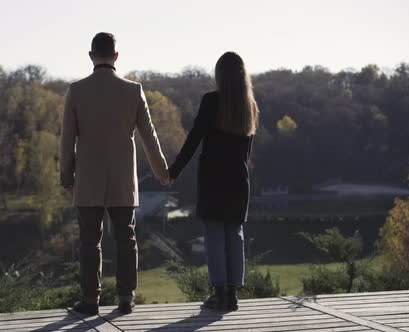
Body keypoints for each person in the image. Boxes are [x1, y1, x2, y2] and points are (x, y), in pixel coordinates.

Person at [59, 32, 171, 316]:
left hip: (88, 178)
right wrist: (161, 172)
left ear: (91, 56)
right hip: (122, 179)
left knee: (89, 242)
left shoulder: (77, 90)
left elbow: (67, 139)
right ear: (116, 57)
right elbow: (150, 137)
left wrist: (66, 176)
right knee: (126, 240)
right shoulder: (133, 91)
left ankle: (90, 300)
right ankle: (125, 298)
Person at [168, 51, 259, 311]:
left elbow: (194, 139)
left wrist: (174, 169)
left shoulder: (211, 101)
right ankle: (232, 294)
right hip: (238, 179)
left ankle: (219, 292)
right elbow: (247, 152)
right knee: (234, 234)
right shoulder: (249, 106)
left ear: (220, 75)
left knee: (214, 235)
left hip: (213, 178)